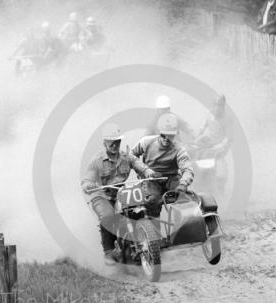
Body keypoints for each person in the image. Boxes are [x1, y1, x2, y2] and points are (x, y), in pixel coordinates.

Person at [81, 123, 156, 266]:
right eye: (111, 142)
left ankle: (145, 241)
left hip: (121, 194)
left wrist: (149, 172)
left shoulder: (126, 157)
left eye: (117, 141)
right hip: (101, 195)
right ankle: (108, 251)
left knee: (142, 206)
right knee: (108, 215)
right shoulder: (96, 161)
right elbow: (86, 180)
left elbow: (139, 165)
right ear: (105, 142)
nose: (114, 145)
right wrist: (88, 185)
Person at [131, 113, 194, 218]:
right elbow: (131, 156)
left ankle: (182, 228)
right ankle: (154, 231)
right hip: (151, 179)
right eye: (163, 135)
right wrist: (145, 171)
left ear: (176, 134)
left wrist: (183, 185)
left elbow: (188, 170)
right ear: (158, 132)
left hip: (172, 178)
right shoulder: (146, 142)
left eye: (170, 136)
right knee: (152, 201)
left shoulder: (179, 149)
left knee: (184, 199)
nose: (166, 139)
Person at [195, 94, 233, 195]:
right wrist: (197, 138)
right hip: (207, 147)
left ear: (223, 106)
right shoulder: (209, 115)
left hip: (219, 150)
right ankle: (199, 190)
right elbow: (202, 128)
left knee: (220, 175)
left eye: (219, 105)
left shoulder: (226, 119)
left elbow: (229, 138)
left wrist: (220, 146)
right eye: (215, 105)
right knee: (197, 165)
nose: (216, 108)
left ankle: (220, 193)